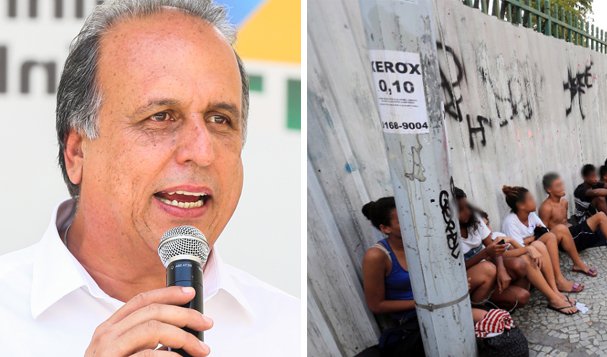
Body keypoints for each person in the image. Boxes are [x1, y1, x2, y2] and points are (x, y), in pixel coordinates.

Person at [0, 1, 299, 355]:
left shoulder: (290, 330)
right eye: (161, 117)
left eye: (220, 120)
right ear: (77, 152)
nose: (202, 152)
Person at [360, 197, 504, 355]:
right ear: (385, 228)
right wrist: (427, 302)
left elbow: (445, 274)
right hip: (413, 318)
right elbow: (376, 305)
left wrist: (453, 290)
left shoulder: (423, 244)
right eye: (402, 220)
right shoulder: (377, 256)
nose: (412, 223)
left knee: (495, 322)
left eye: (411, 216)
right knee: (485, 324)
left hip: (441, 304)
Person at [454, 189, 578, 313]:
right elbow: (459, 268)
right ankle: (476, 309)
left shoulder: (474, 220)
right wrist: (486, 253)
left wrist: (502, 269)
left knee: (522, 292)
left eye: (467, 207)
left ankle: (554, 294)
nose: (467, 212)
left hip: (492, 267)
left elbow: (494, 248)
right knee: (489, 268)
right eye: (460, 210)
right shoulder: (447, 235)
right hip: (472, 279)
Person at [537, 171, 607, 267]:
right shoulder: (546, 208)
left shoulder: (564, 202)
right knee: (601, 216)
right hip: (566, 241)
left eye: (562, 184)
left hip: (575, 234)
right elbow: (547, 234)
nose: (562, 187)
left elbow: (565, 222)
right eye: (558, 186)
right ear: (549, 189)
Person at [500, 186, 588, 294]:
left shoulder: (531, 215)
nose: (534, 201)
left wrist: (530, 239)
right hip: (525, 255)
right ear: (521, 205)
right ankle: (558, 280)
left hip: (536, 247)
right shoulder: (510, 222)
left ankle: (576, 264)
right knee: (548, 238)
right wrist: (533, 240)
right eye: (531, 199)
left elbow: (544, 231)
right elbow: (519, 249)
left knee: (560, 229)